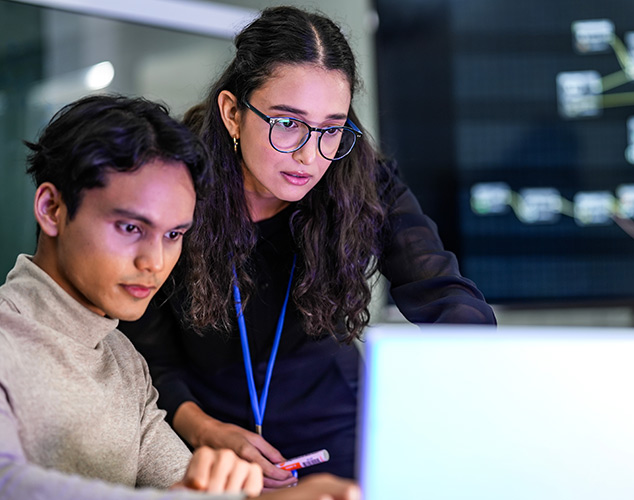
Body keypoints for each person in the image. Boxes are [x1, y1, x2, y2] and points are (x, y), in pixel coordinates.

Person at [118, 5, 496, 485]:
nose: (309, 155)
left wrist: (476, 371)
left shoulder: (359, 180)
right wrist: (206, 431)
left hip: (335, 428)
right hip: (207, 436)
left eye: (331, 129)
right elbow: (146, 352)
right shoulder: (175, 185)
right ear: (233, 113)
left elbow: (440, 289)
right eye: (287, 123)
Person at [0, 94, 360, 500]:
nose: (155, 262)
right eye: (131, 228)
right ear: (52, 208)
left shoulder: (123, 360)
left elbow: (187, 487)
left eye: (173, 235)